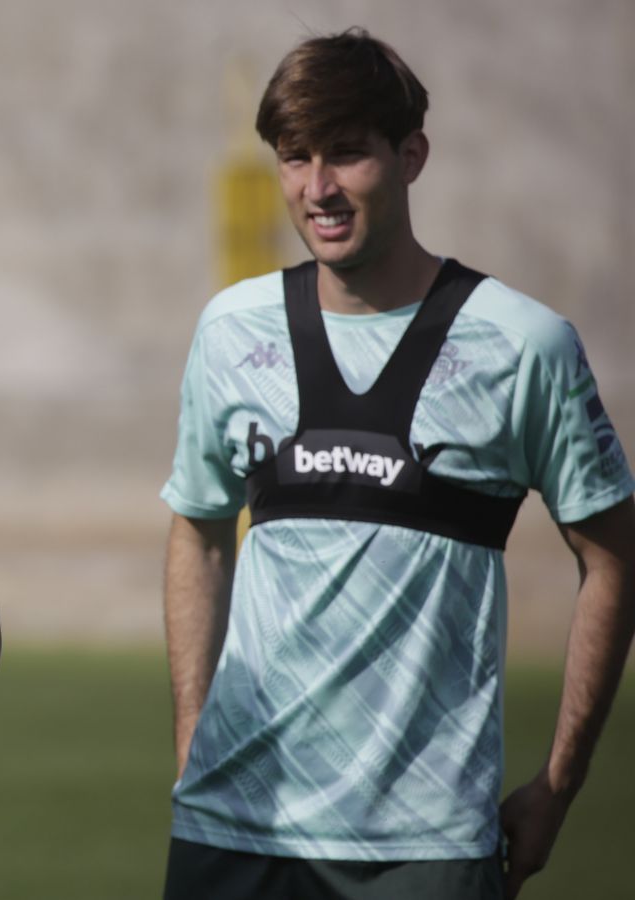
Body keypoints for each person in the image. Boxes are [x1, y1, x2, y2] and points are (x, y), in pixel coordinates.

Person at [161, 27, 635, 900]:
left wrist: (560, 783)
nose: (317, 189)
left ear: (411, 155)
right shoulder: (230, 329)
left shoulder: (525, 345)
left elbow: (614, 558)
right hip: (233, 826)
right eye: (295, 158)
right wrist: (192, 732)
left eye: (347, 154)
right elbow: (197, 531)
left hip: (427, 843)